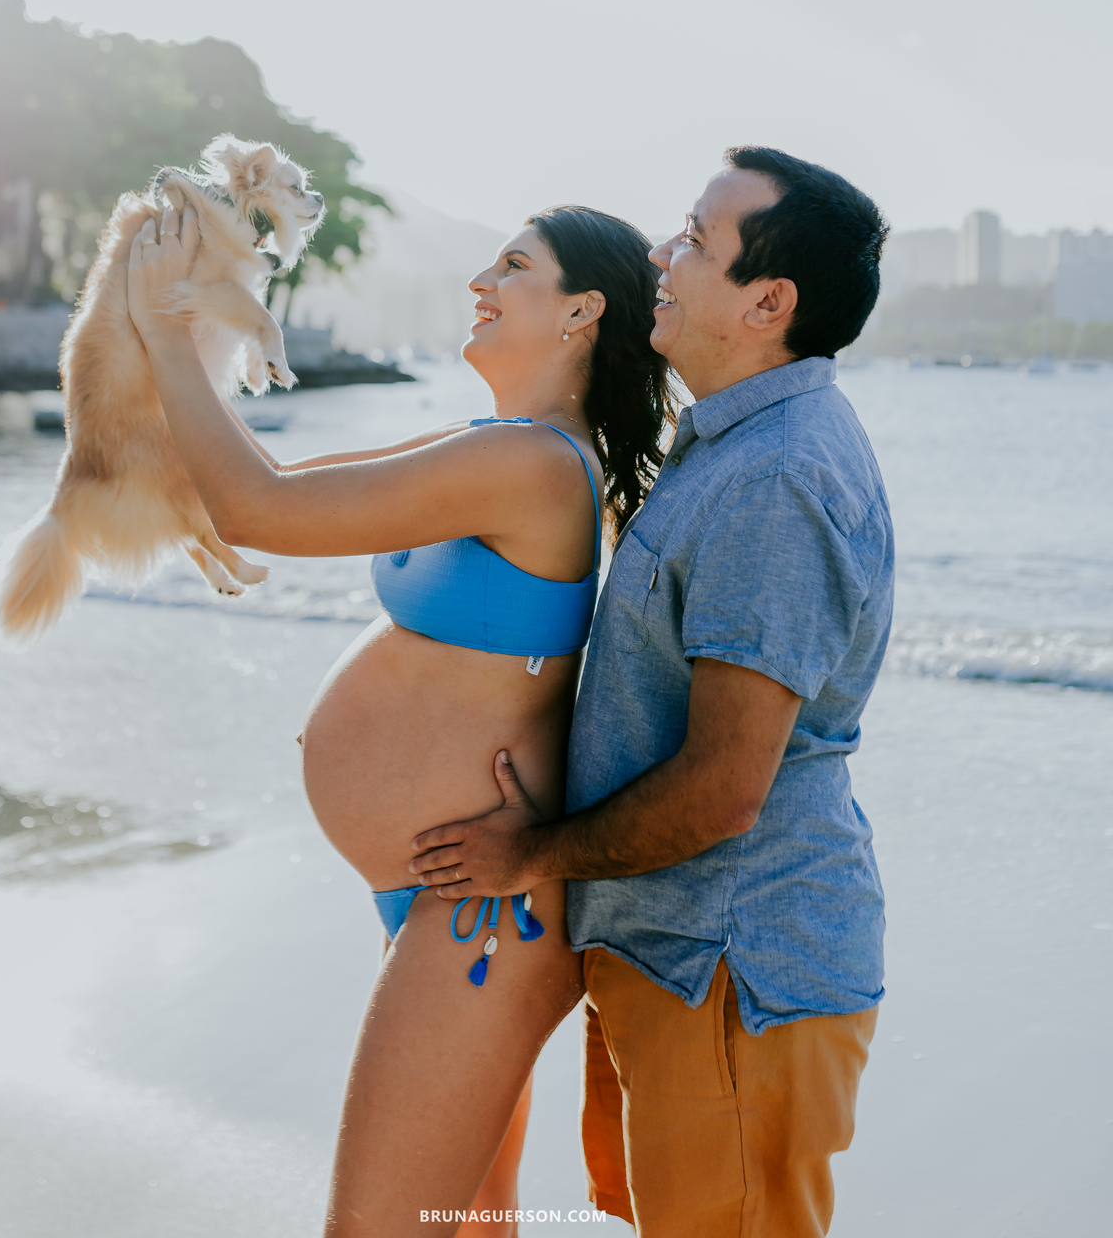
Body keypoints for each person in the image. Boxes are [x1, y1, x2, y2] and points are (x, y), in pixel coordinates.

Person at [125, 198, 673, 1233]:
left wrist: (163, 330)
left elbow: (260, 507)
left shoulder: (533, 466)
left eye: (513, 265)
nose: (480, 282)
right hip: (448, 891)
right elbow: (269, 487)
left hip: (477, 912)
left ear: (581, 311)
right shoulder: (496, 445)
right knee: (467, 1222)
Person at [410, 147, 894, 1238]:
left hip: (736, 970)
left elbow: (724, 788)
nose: (658, 257)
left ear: (768, 301)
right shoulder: (728, 444)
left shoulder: (777, 478)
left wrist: (527, 855)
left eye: (693, 241)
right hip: (665, 954)